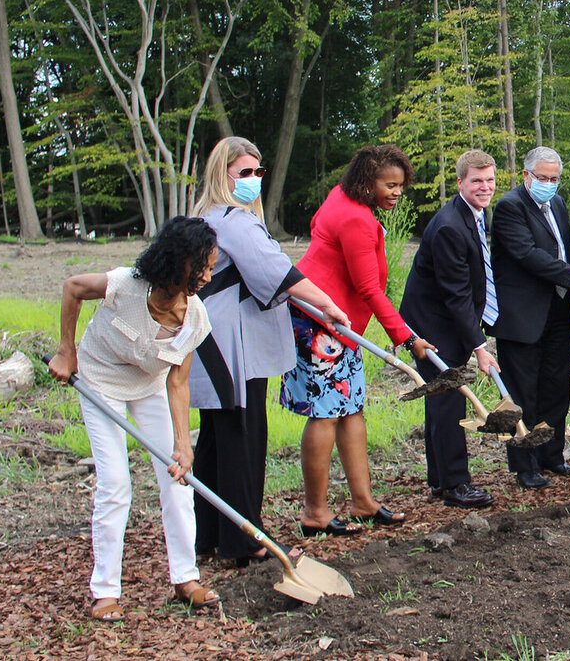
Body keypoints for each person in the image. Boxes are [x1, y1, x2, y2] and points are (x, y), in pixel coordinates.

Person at [47, 217, 219, 621]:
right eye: (203, 267)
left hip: (150, 386)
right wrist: (66, 351)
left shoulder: (195, 319)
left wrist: (181, 444)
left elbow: (179, 383)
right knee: (116, 484)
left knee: (177, 478)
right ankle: (105, 592)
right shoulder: (125, 285)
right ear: (178, 262)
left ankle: (185, 578)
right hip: (100, 381)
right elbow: (73, 287)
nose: (208, 277)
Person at [190, 136, 349, 566]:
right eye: (244, 173)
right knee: (243, 436)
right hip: (230, 343)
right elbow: (278, 272)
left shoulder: (207, 217)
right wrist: (327, 304)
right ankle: (243, 541)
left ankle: (208, 535)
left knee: (216, 439)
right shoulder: (234, 221)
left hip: (210, 337)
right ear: (221, 175)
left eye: (258, 172)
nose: (253, 181)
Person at [287, 144, 433, 535]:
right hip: (320, 324)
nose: (396, 192)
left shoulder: (341, 196)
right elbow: (369, 288)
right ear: (367, 183)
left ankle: (362, 502)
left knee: (350, 408)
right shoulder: (357, 220)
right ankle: (315, 513)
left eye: (401, 185)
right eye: (389, 185)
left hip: (341, 325)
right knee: (325, 413)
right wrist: (407, 337)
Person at [487, 147, 570, 489]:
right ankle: (526, 465)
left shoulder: (557, 203)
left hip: (557, 310)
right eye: (542, 178)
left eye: (554, 178)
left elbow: (559, 248)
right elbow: (528, 255)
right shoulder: (510, 207)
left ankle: (553, 456)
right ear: (526, 176)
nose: (549, 184)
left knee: (556, 388)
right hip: (523, 316)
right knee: (524, 393)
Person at [399, 150, 508, 506]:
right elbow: (456, 295)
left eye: (490, 180)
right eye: (477, 180)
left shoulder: (473, 215)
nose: (485, 187)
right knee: (448, 401)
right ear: (460, 182)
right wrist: (479, 347)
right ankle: (455, 484)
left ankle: (440, 479)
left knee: (443, 400)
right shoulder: (449, 226)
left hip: (448, 319)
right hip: (434, 325)